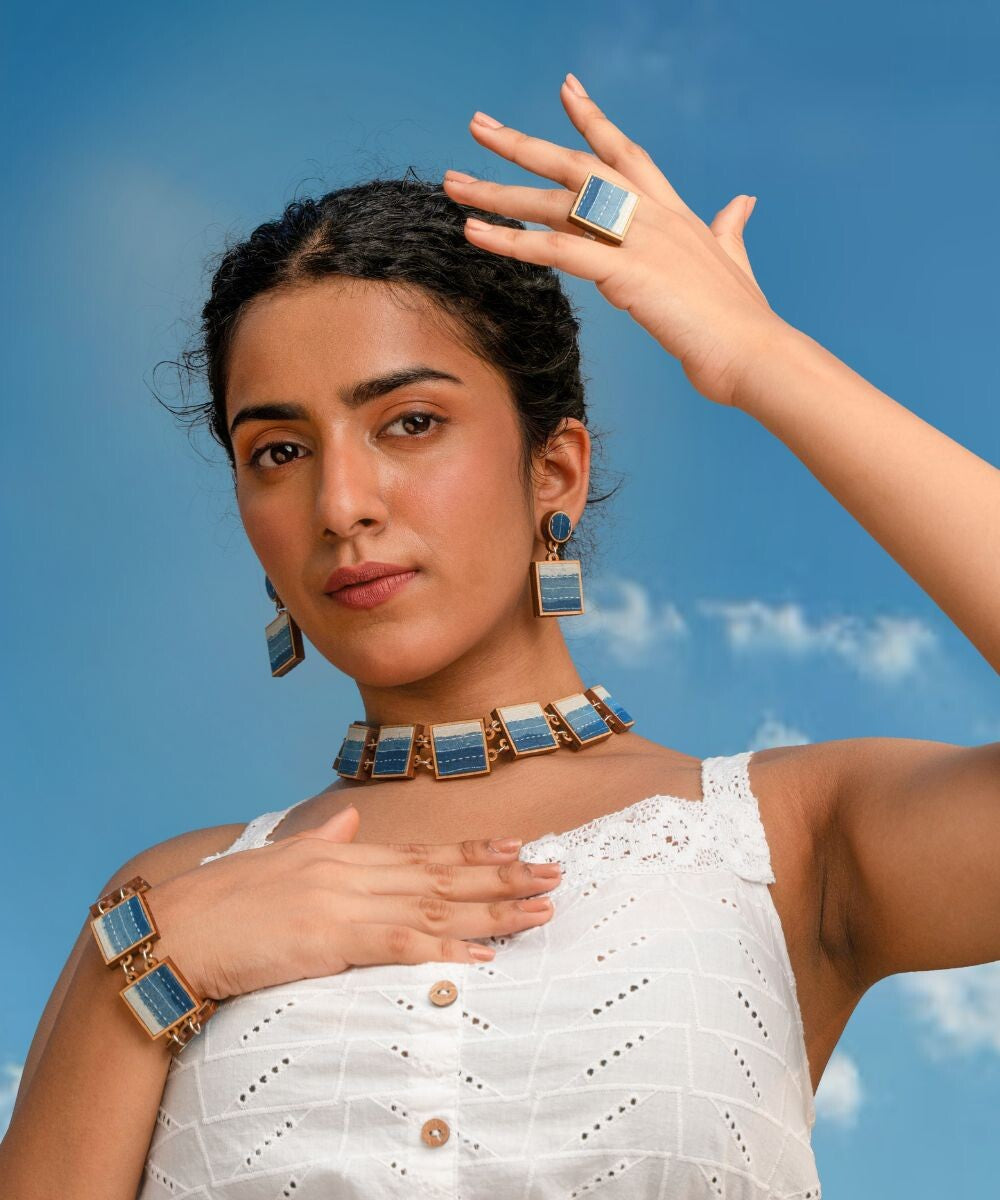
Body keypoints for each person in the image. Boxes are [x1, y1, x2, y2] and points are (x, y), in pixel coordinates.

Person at [2, 72, 997, 1199]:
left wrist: (758, 358)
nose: (341, 503)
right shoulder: (171, 900)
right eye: (277, 450)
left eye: (409, 422)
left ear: (554, 470)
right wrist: (143, 968)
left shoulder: (792, 842)